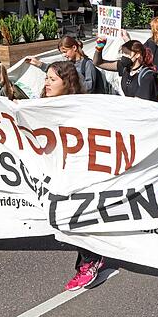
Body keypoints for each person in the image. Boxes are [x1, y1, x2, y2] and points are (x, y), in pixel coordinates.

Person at [41, 61, 107, 290]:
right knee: (63, 219)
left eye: (52, 79)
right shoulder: (38, 107)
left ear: (67, 83)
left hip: (78, 173)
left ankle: (89, 261)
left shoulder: (81, 107)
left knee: (73, 217)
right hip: (54, 173)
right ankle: (92, 256)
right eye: (46, 78)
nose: (46, 83)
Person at [93, 33, 158, 101]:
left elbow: (140, 104)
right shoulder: (125, 68)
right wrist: (99, 47)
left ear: (137, 55)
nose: (123, 56)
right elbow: (98, 63)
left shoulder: (147, 76)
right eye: (122, 53)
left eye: (126, 53)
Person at [26, 36, 102, 94]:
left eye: (65, 51)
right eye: (62, 53)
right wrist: (38, 64)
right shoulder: (69, 63)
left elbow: (89, 87)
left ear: (74, 48)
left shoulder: (87, 64)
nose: (64, 55)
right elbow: (57, 71)